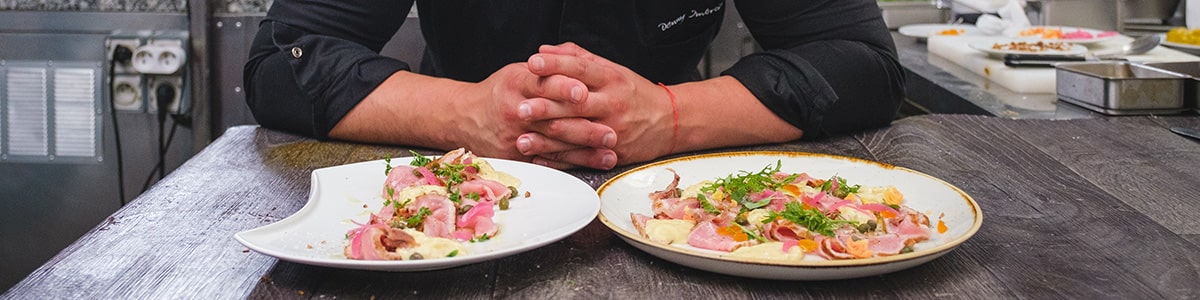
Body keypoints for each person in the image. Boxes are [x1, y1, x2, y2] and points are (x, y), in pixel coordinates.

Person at [243, 0, 906, 170]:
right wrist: (465, 113)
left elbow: (862, 62)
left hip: (676, 192)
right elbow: (280, 60)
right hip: (458, 183)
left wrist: (671, 115)